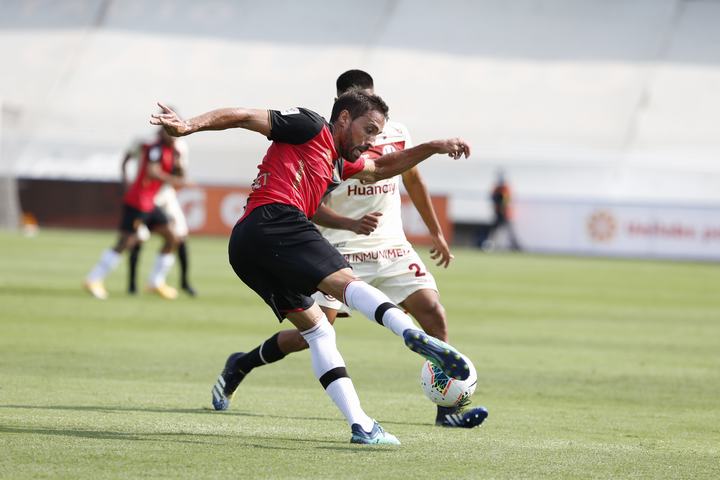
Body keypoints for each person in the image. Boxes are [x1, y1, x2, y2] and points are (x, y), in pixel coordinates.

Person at [150, 90, 471, 445]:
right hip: (275, 219)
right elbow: (243, 115)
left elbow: (382, 167)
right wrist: (189, 126)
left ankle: (362, 426)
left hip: (246, 248)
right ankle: (409, 333)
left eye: (377, 135)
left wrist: (434, 146)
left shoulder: (339, 163)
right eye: (368, 130)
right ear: (344, 118)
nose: (371, 142)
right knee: (347, 283)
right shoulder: (310, 125)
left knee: (319, 333)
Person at [84, 129, 185, 300]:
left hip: (150, 203)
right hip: (138, 202)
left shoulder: (172, 151)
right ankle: (93, 279)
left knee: (172, 237)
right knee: (126, 242)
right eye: (171, 132)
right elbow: (152, 171)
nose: (174, 136)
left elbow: (178, 173)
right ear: (162, 132)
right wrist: (174, 180)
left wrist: (178, 164)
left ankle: (155, 282)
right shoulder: (155, 148)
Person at [122, 134, 197, 297]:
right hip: (146, 195)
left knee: (179, 234)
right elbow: (138, 164)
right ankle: (132, 284)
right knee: (138, 237)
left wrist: (178, 166)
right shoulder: (147, 142)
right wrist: (126, 180)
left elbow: (180, 173)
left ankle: (181, 282)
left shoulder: (180, 146)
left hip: (165, 193)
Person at [482, 170, 521, 251]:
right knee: (494, 230)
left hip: (505, 214)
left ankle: (515, 246)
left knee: (509, 231)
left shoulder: (505, 188)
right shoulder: (496, 188)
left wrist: (502, 208)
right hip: (498, 213)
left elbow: (507, 200)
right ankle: (490, 244)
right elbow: (492, 198)